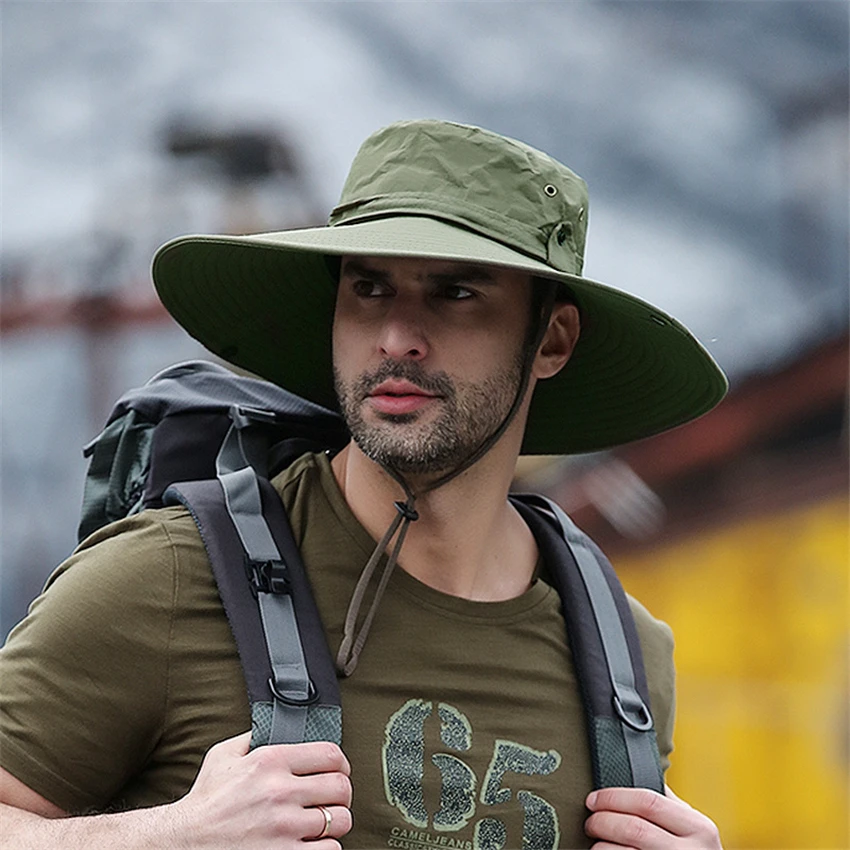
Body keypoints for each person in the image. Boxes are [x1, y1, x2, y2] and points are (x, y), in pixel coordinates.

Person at [0, 119, 726, 849]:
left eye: (456, 292)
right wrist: (172, 837)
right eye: (370, 287)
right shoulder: (163, 579)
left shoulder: (623, 658)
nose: (395, 337)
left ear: (553, 339)